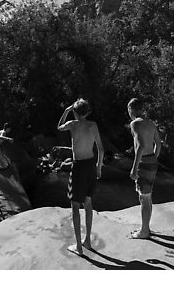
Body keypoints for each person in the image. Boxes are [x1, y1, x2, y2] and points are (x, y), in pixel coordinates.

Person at [57, 98, 104, 256]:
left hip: (78, 167)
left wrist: (66, 111)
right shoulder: (93, 125)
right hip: (91, 165)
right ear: (87, 111)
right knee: (88, 202)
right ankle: (87, 242)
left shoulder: (72, 124)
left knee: (75, 205)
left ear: (75, 112)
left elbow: (58, 127)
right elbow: (101, 150)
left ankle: (78, 246)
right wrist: (98, 168)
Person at [127, 98, 162, 239]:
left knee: (144, 199)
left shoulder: (135, 124)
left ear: (131, 110)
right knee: (148, 197)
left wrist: (134, 168)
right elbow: (158, 144)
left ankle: (144, 231)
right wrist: (154, 158)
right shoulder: (151, 123)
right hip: (152, 161)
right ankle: (146, 227)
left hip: (143, 163)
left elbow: (140, 146)